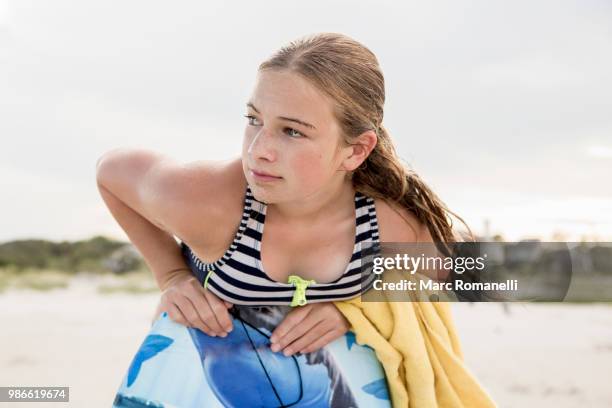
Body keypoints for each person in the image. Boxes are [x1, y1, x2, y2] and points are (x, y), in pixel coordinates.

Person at [96, 31, 470, 366]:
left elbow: (461, 277)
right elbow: (110, 172)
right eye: (254, 119)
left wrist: (355, 311)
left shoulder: (387, 226)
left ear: (355, 151)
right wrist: (172, 275)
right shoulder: (210, 202)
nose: (259, 150)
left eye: (292, 131)